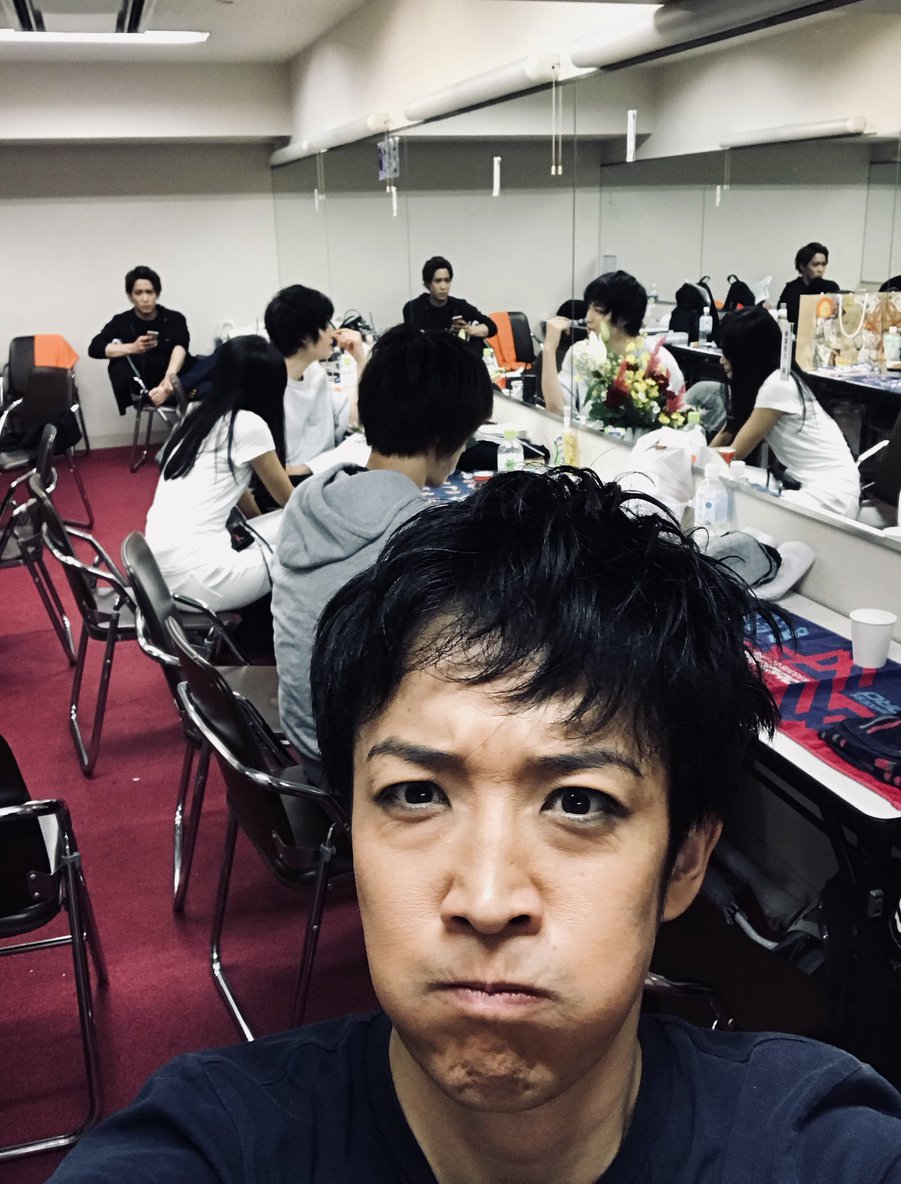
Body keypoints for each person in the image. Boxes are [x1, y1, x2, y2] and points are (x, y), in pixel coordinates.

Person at [48, 467, 901, 1183]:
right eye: (416, 794)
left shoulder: (812, 1148)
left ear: (683, 859)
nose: (487, 901)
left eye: (578, 802)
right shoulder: (211, 1144)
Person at [273, 323, 493, 767]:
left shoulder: (311, 497)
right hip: (356, 767)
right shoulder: (418, 537)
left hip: (302, 736)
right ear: (444, 437)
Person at [144, 334, 293, 611]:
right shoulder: (249, 425)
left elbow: (238, 491)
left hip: (158, 574)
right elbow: (292, 504)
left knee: (278, 530)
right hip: (201, 581)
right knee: (309, 550)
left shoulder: (195, 414)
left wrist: (260, 529)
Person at [712, 306, 860, 517]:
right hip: (813, 485)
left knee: (739, 508)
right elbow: (731, 429)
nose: (721, 360)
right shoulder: (773, 382)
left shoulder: (778, 386)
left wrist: (692, 456)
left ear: (747, 355)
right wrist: (697, 457)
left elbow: (734, 453)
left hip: (830, 495)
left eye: (727, 354)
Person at [541, 270, 686, 417]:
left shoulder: (660, 362)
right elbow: (557, 411)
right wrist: (549, 349)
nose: (588, 318)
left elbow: (677, 420)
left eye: (598, 311)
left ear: (624, 318)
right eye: (589, 308)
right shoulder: (580, 353)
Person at [264, 284, 368, 477]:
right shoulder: (269, 388)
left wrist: (360, 361)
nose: (332, 332)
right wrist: (312, 468)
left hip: (328, 472)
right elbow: (272, 469)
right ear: (303, 337)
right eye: (325, 325)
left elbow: (353, 422)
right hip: (299, 481)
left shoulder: (314, 372)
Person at [88, 265, 192, 414]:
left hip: (178, 378)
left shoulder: (174, 318)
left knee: (220, 358)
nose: (145, 299)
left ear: (157, 294)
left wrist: (169, 379)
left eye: (149, 292)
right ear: (130, 296)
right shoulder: (122, 321)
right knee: (209, 388)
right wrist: (133, 348)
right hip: (148, 385)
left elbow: (181, 346)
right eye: (138, 293)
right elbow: (95, 348)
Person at [403, 255, 498, 358]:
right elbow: (413, 341)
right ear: (427, 284)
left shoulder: (459, 305)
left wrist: (469, 330)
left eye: (447, 281)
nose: (443, 287)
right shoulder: (414, 307)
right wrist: (448, 334)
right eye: (438, 281)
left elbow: (491, 327)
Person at [777, 242, 840, 329]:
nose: (821, 269)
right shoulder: (791, 289)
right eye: (815, 265)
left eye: (823, 264)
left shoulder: (831, 287)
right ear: (802, 266)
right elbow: (785, 319)